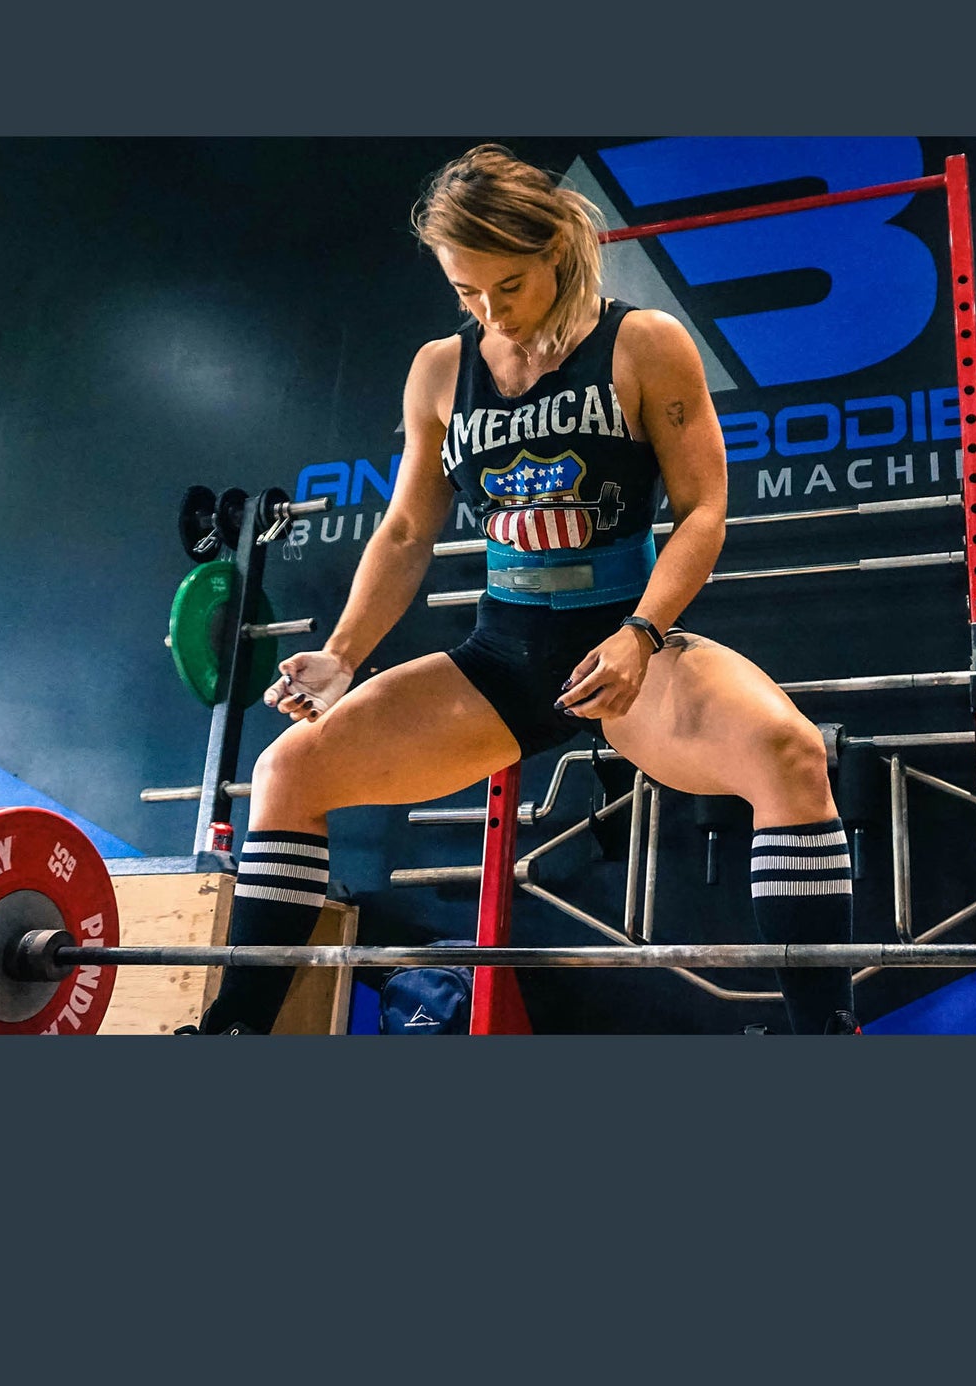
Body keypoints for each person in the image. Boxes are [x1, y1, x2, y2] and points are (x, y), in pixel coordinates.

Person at [187, 144, 857, 1035]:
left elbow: (704, 512)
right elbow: (407, 530)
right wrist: (342, 655)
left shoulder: (644, 343)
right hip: (501, 660)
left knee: (790, 754)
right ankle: (234, 1033)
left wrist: (642, 635)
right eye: (467, 290)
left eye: (509, 285)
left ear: (557, 252)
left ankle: (828, 1034)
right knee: (288, 771)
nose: (491, 310)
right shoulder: (439, 369)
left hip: (626, 647)